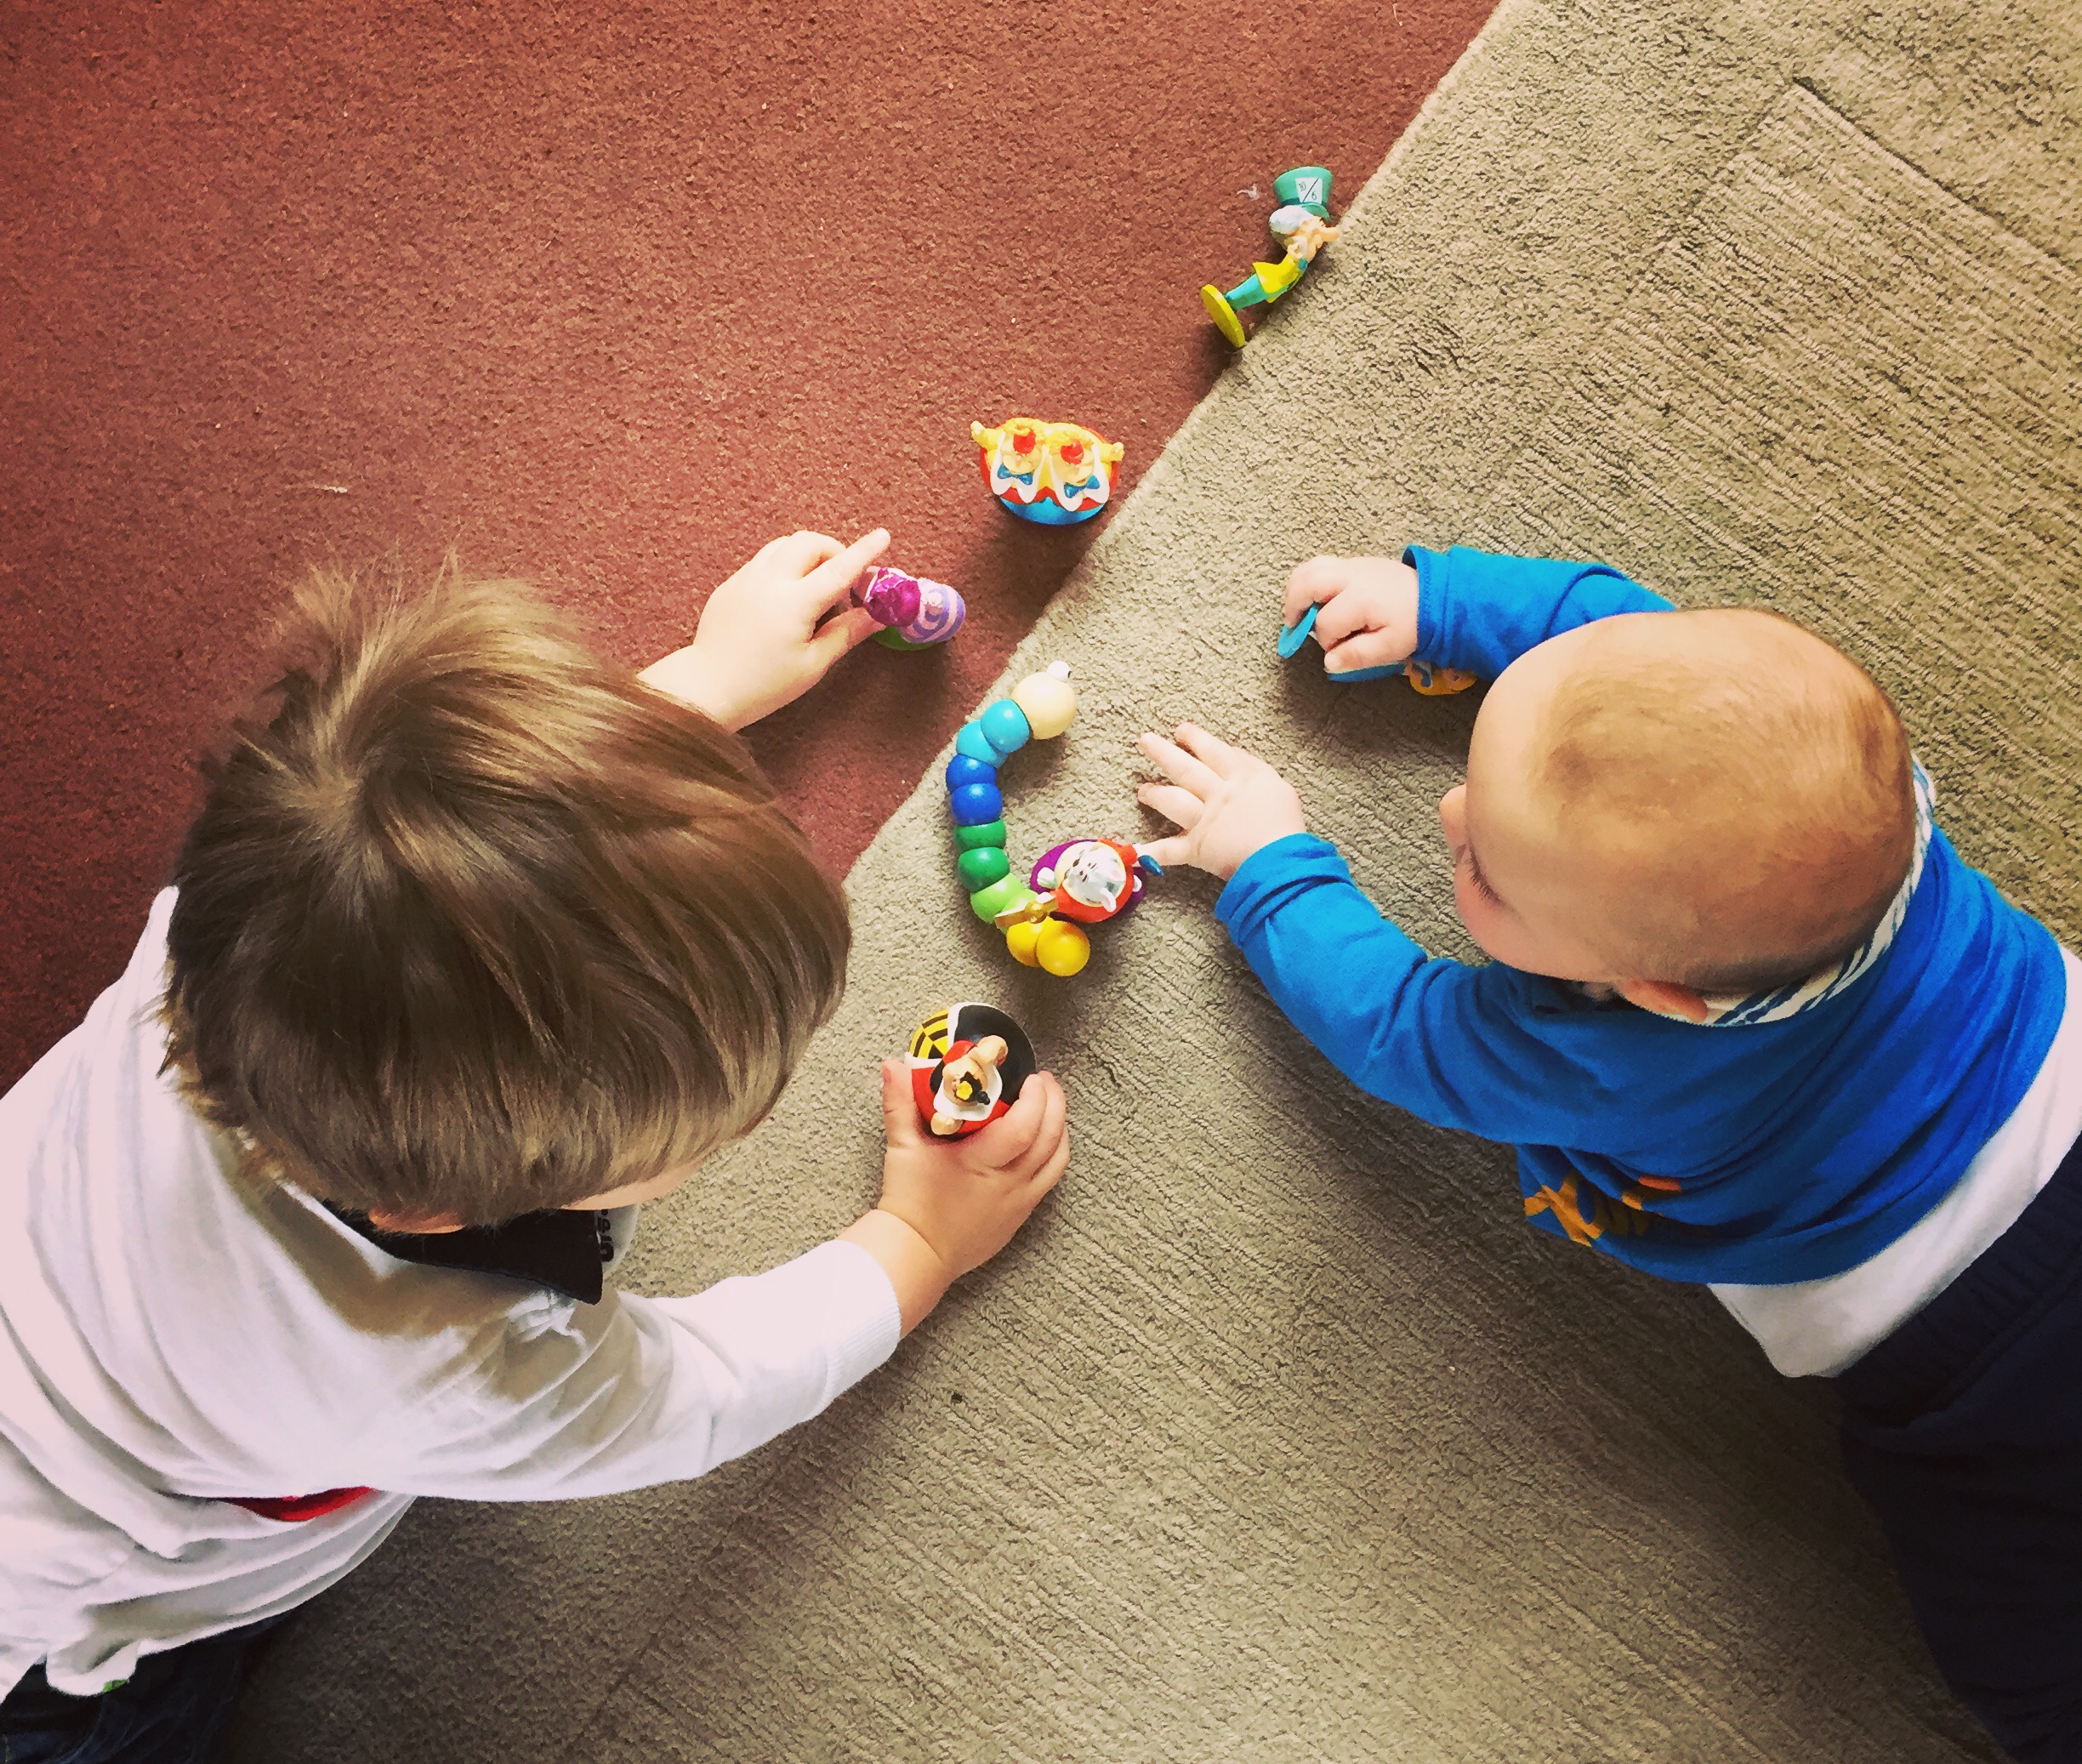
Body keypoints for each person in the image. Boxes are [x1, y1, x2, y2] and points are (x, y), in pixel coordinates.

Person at [0, 527, 1070, 1763]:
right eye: (715, 1128)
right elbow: (707, 1391)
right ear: (446, 1212)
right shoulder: (453, 1364)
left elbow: (452, 865)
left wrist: (696, 691)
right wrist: (916, 1241)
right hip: (63, 1653)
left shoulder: (231, 918)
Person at [1137, 544, 2080, 1764]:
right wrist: (1445, 606)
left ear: (1652, 993)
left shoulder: (1600, 1053)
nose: (1450, 813)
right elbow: (1621, 648)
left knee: (2036, 1661)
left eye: (1484, 873)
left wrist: (1267, 862)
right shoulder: (1869, 808)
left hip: (1972, 1367)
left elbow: (1394, 1025)